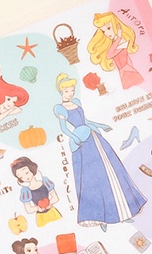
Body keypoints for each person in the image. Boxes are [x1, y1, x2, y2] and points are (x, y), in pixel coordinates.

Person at [53, 73, 147, 229]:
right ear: (61, 92)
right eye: (67, 91)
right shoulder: (59, 108)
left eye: (72, 90)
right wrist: (75, 138)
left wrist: (100, 125)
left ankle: (124, 212)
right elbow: (64, 128)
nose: (70, 93)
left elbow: (85, 121)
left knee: (112, 171)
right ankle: (102, 216)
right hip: (82, 143)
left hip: (93, 137)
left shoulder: (76, 102)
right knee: (93, 178)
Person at [87, 12, 144, 89]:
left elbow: (109, 55)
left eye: (108, 28)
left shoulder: (122, 41)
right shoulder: (114, 43)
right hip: (124, 72)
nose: (106, 33)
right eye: (103, 31)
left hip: (128, 71)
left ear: (116, 26)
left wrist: (119, 38)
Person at [11, 156, 61, 227]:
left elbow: (56, 198)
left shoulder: (45, 182)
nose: (25, 177)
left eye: (26, 173)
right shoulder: (26, 191)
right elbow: (28, 209)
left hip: (53, 212)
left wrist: (48, 204)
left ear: (31, 169)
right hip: (41, 217)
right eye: (21, 177)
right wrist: (38, 208)